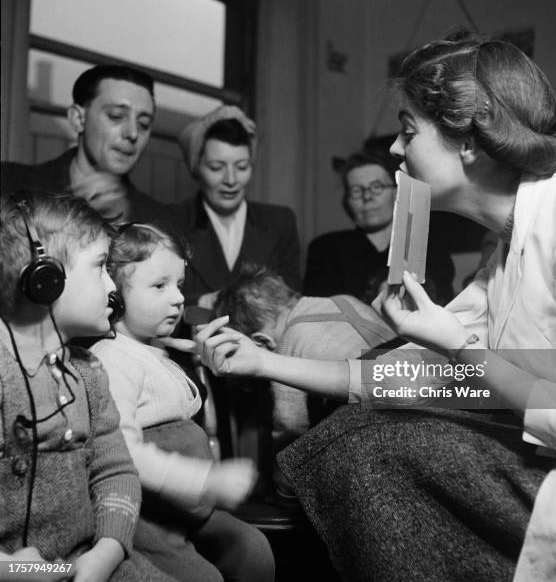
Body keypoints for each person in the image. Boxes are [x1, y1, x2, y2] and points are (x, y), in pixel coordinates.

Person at [197, 35, 556, 581]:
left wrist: (460, 347)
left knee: (374, 449)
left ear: (467, 139)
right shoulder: (507, 250)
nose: (395, 149)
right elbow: (402, 379)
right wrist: (262, 362)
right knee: (350, 435)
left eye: (408, 131)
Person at [0, 191, 175, 581]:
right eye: (99, 267)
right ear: (44, 279)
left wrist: (107, 552)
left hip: (94, 561)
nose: (113, 285)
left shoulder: (90, 372)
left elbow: (117, 473)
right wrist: (16, 569)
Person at [90, 224, 274, 582]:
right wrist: (206, 479)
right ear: (114, 294)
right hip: (147, 519)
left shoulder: (159, 349)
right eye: (159, 286)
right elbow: (126, 455)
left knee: (252, 549)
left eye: (178, 285)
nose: (177, 298)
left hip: (190, 509)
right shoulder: (113, 359)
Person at [213, 263, 396, 457]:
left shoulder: (290, 344)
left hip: (374, 438)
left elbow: (291, 429)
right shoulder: (344, 299)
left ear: (260, 341)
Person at [1, 64, 178, 225]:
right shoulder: (9, 185)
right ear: (78, 118)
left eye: (144, 124)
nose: (132, 133)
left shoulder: (159, 222)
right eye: (116, 116)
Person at [173, 105, 301, 306]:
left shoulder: (280, 222)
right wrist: (202, 303)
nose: (231, 180)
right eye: (216, 167)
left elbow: (292, 299)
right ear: (197, 167)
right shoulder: (172, 222)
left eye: (242, 167)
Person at [303, 150, 455, 304]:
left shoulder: (429, 248)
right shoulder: (325, 250)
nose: (367, 196)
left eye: (377, 187)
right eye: (356, 190)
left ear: (396, 193)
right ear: (347, 201)